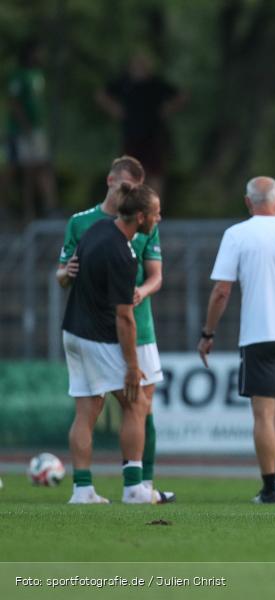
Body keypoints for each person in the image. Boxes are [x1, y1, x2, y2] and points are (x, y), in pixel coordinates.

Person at [198, 177, 275, 504]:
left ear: (247, 201)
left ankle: (270, 488)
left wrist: (208, 333)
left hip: (258, 334)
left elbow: (221, 291)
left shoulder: (236, 235)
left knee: (263, 415)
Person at [57, 156, 173, 503]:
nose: (159, 219)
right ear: (141, 217)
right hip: (99, 335)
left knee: (86, 410)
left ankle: (82, 489)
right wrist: (132, 368)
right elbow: (124, 317)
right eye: (156, 213)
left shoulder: (96, 231)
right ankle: (136, 487)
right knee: (136, 404)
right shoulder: (123, 254)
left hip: (73, 331)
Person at [96, 52, 187, 194]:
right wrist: (114, 110)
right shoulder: (124, 83)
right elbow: (101, 95)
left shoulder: (156, 84)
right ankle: (130, 206)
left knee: (155, 171)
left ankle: (154, 207)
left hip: (153, 133)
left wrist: (168, 109)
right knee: (127, 171)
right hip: (131, 133)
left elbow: (181, 95)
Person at [7, 39, 57, 220]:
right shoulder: (19, 76)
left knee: (42, 166)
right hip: (23, 130)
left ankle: (48, 207)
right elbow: (14, 102)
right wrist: (24, 125)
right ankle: (27, 211)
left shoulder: (38, 74)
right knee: (26, 170)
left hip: (38, 129)